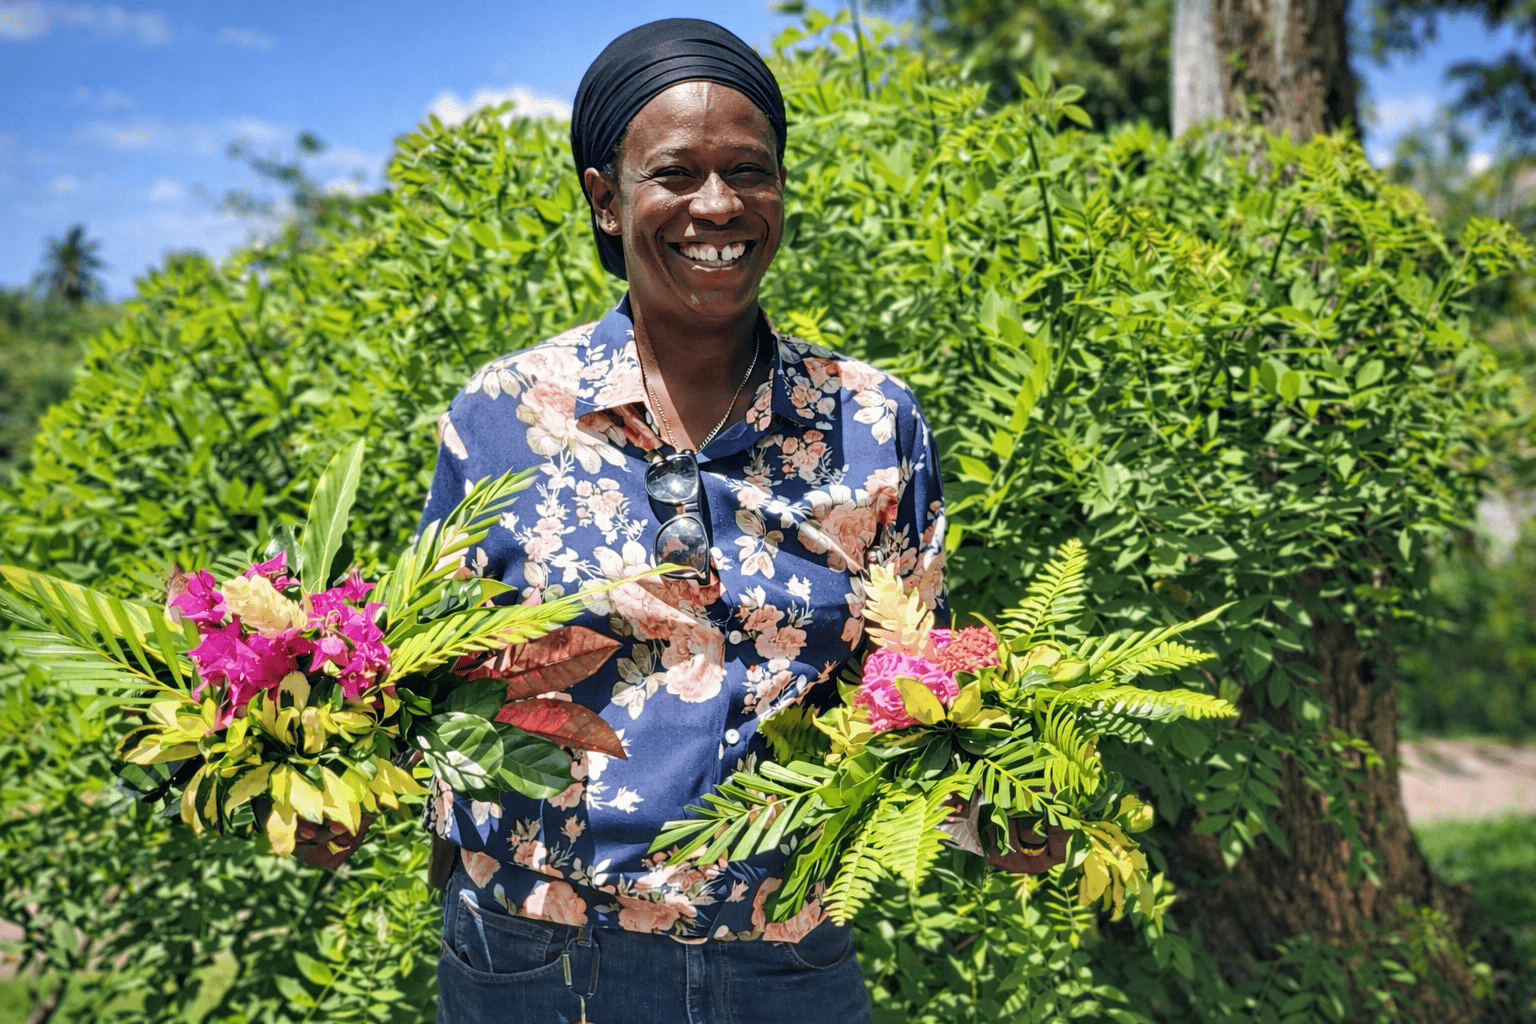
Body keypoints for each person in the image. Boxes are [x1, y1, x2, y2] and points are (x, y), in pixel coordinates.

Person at [417, 19, 947, 1024]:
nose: (720, 205)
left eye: (751, 170)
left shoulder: (870, 420)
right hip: (537, 960)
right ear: (605, 198)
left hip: (785, 959)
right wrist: (326, 791)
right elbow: (424, 674)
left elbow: (915, 694)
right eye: (676, 173)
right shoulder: (508, 412)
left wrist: (989, 815)